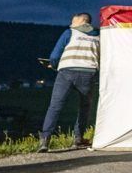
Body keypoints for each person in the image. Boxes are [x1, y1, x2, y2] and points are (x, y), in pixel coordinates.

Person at [38, 12, 100, 152]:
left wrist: (54, 65)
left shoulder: (69, 32)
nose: (71, 24)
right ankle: (78, 138)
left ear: (83, 20)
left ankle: (45, 141)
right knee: (84, 107)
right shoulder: (99, 36)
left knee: (55, 106)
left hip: (67, 72)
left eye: (74, 21)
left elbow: (54, 56)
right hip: (88, 73)